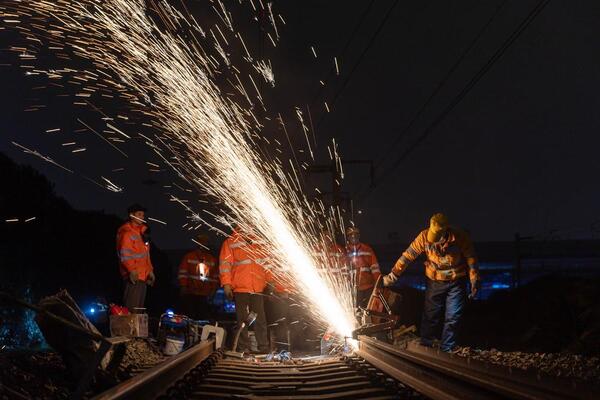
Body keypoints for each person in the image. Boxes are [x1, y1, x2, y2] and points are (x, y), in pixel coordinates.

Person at [383, 213, 481, 352]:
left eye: (437, 239)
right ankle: (426, 346)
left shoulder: (460, 237)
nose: (434, 242)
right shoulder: (424, 237)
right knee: (430, 314)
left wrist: (474, 280)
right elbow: (408, 256)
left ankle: (447, 349)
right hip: (434, 281)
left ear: (446, 232)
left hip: (456, 281)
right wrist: (393, 275)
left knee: (453, 317)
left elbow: (471, 258)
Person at [219, 227, 270, 353]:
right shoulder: (230, 242)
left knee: (260, 320)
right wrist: (226, 284)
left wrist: (270, 283)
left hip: (257, 288)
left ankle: (263, 348)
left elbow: (267, 264)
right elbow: (225, 265)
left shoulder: (260, 241)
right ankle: (243, 348)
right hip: (241, 288)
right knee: (242, 320)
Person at [116, 203, 155, 311]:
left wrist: (150, 271)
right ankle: (129, 328)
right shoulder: (127, 233)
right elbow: (125, 254)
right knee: (132, 309)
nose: (142, 217)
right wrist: (131, 270)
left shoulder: (141, 234)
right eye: (139, 214)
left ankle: (136, 328)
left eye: (143, 215)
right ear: (131, 215)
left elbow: (146, 256)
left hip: (141, 277)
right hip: (133, 277)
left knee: (138, 310)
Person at [178, 233, 218, 320]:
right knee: (191, 316)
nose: (203, 244)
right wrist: (183, 286)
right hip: (191, 292)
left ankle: (198, 332)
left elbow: (214, 277)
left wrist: (213, 290)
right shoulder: (189, 257)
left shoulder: (211, 259)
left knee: (202, 317)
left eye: (204, 242)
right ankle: (192, 332)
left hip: (203, 294)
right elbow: (183, 273)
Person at [345, 226, 381, 309]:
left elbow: (375, 268)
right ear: (348, 237)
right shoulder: (344, 251)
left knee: (368, 310)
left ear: (359, 236)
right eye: (351, 235)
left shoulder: (367, 249)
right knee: (355, 310)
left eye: (355, 235)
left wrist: (378, 284)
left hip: (368, 287)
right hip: (353, 288)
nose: (353, 237)